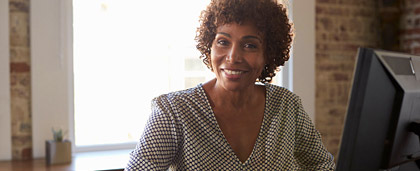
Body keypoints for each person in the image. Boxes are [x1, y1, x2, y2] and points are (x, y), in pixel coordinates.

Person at [125, 0, 335, 170]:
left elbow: (321, 164)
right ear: (209, 46)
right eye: (223, 42)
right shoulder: (174, 111)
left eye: (250, 45)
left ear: (267, 55)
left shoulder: (287, 107)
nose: (233, 57)